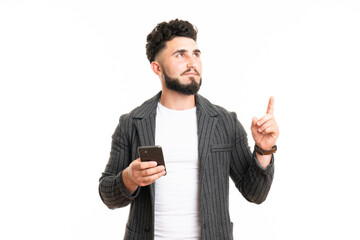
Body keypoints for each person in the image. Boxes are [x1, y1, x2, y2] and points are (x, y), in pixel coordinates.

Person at [99, 19, 279, 240]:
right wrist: (129, 178)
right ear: (157, 68)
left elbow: (256, 193)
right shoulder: (132, 122)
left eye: (196, 54)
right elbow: (108, 195)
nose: (192, 62)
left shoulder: (224, 122)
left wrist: (263, 150)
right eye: (180, 55)